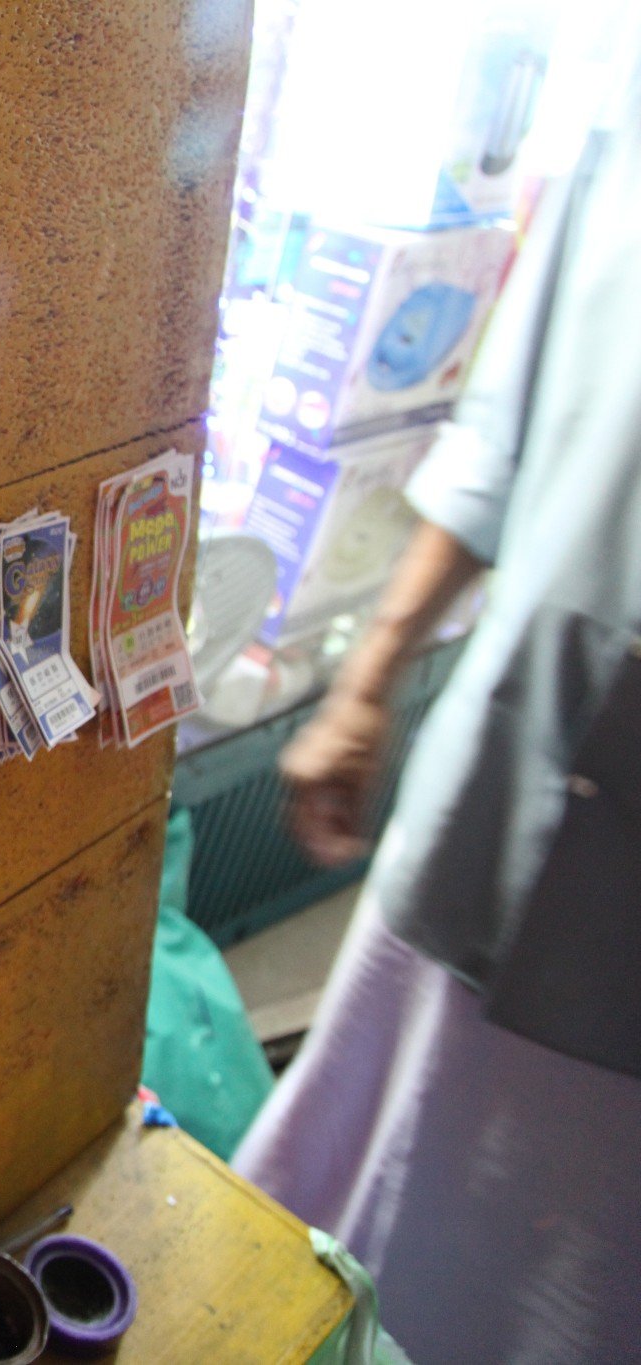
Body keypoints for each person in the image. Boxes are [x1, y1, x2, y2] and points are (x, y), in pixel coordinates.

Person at [233, 53, 641, 1363]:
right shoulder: (625, 114)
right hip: (501, 777)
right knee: (359, 1176)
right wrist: (368, 679)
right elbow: (496, 438)